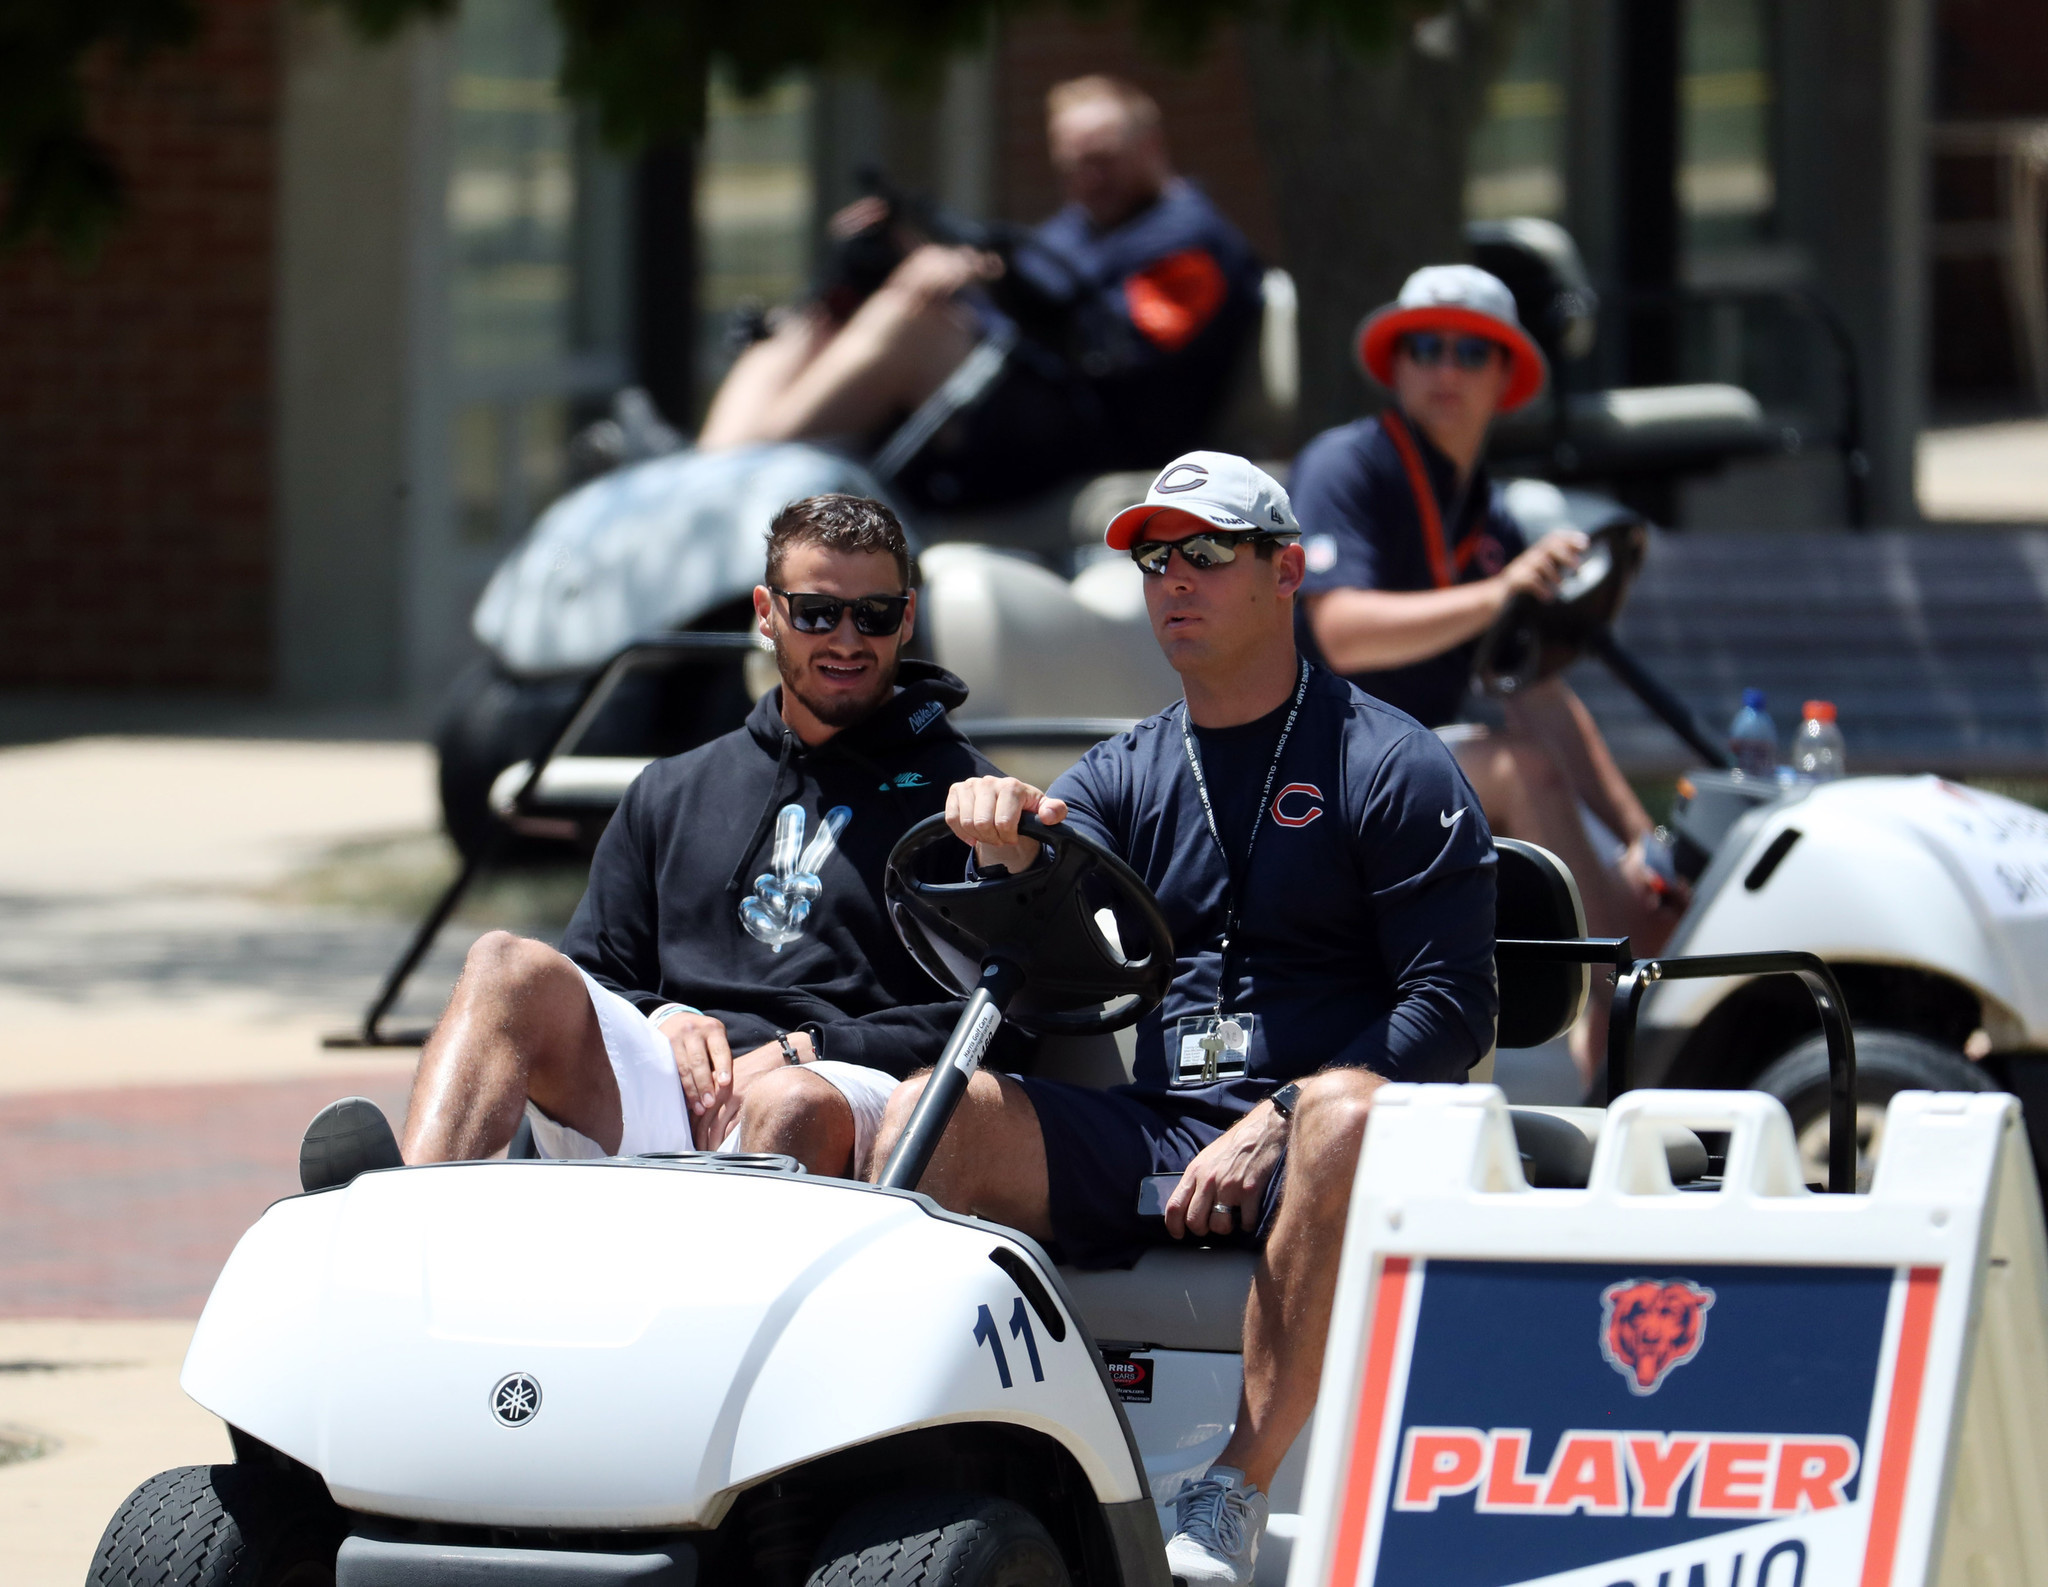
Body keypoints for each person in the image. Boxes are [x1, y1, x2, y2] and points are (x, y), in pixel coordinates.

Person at [866, 453, 1498, 1585]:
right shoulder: (1125, 769)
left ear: (1286, 571)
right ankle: (931, 1478)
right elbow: (1055, 890)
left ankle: (1232, 1487)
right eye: (1154, 559)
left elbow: (1453, 1008)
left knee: (1344, 1117)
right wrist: (1006, 840)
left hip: (1334, 1143)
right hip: (1165, 1132)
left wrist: (1285, 1111)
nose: (1173, 580)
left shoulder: (1393, 763)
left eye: (1205, 553)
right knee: (931, 1112)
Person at [400, 494, 1016, 1178]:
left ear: (906, 619)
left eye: (872, 615)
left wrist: (807, 1047)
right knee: (503, 965)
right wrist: (668, 1018)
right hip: (677, 1084)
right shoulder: (671, 789)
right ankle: (401, 1216)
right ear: (766, 612)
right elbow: (595, 972)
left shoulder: (967, 803)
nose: (846, 639)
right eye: (815, 611)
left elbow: (997, 1021)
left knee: (788, 1103)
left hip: (842, 1089)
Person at [1291, 264, 1685, 1080]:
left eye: (1471, 353)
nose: (1445, 370)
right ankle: (1614, 1022)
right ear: (1397, 366)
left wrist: (1641, 839)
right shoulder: (1347, 464)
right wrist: (1500, 591)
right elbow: (1343, 634)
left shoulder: (1487, 509)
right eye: (1426, 348)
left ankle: (1644, 986)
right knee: (1522, 768)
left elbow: (1533, 684)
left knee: (1650, 864)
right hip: (1309, 771)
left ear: (1505, 378)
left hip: (1408, 759)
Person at [698, 76, 1263, 512]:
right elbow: (1014, 299)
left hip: (1098, 435)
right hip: (1022, 409)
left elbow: (1113, 352)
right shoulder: (1082, 225)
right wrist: (918, 257)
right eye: (1073, 166)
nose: (1089, 180)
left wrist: (984, 279)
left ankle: (743, 466)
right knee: (820, 317)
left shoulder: (1192, 248)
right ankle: (699, 473)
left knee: (909, 318)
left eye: (1104, 161)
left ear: (1151, 146)